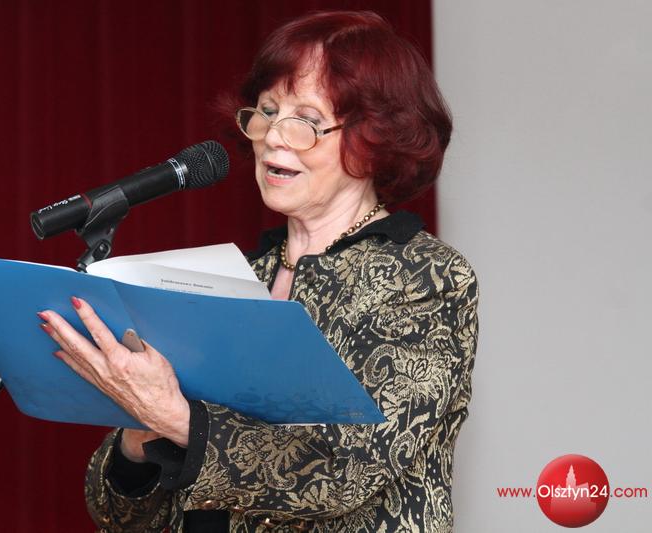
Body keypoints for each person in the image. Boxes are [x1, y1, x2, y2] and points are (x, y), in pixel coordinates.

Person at [37, 10, 478, 533]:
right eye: (267, 112)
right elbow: (120, 516)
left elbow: (347, 474)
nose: (273, 137)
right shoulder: (229, 277)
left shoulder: (425, 278)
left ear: (374, 139)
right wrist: (139, 434)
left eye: (306, 121)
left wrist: (176, 418)